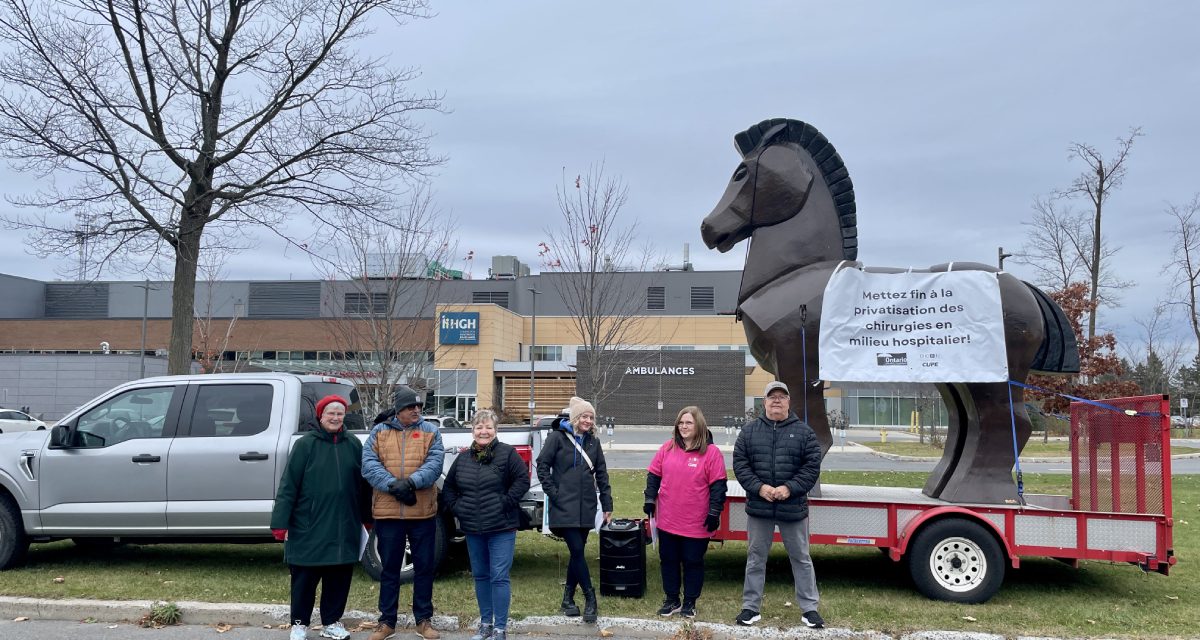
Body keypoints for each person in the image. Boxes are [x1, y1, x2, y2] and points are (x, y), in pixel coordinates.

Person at [271, 395, 371, 640]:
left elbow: (364, 485)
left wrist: (367, 518)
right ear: (321, 416)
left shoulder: (353, 445)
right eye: (331, 413)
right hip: (309, 523)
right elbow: (288, 485)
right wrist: (280, 522)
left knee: (338, 577)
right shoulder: (306, 445)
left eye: (340, 414)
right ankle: (299, 624)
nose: (336, 418)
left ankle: (332, 622)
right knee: (304, 577)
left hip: (344, 524)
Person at [732, 381, 825, 629]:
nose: (776, 400)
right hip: (759, 507)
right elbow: (740, 465)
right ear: (764, 402)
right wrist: (760, 487)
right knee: (755, 558)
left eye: (781, 396)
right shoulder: (749, 432)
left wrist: (789, 488)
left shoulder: (804, 433)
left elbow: (811, 467)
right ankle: (750, 608)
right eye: (771, 396)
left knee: (801, 558)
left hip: (793, 508)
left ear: (788, 401)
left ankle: (809, 609)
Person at [362, 386, 445, 640]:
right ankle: (387, 622)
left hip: (422, 514)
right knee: (389, 570)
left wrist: (411, 483)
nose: (416, 411)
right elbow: (368, 463)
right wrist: (392, 485)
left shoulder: (431, 431)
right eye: (411, 407)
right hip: (388, 515)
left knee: (424, 568)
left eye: (419, 407)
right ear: (399, 410)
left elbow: (435, 462)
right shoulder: (379, 432)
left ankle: (423, 620)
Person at [442, 409, 530, 640]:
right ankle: (485, 625)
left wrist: (506, 502)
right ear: (472, 431)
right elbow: (449, 488)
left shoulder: (507, 454)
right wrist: (458, 508)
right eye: (479, 427)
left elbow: (522, 480)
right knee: (480, 576)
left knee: (499, 576)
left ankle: (500, 628)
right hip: (473, 528)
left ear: (495, 430)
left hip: (502, 527)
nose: (484, 431)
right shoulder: (463, 458)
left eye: (488, 427)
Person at [643, 406, 727, 619]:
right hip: (668, 519)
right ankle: (672, 600)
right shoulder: (667, 448)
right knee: (668, 560)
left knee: (692, 561)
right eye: (681, 422)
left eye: (688, 423)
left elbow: (718, 486)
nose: (683, 426)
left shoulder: (711, 452)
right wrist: (650, 499)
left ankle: (690, 602)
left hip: (696, 522)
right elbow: (653, 475)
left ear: (698, 425)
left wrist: (714, 512)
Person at [535, 396, 613, 624]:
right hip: (564, 505)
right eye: (584, 416)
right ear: (575, 418)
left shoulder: (593, 443)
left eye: (591, 417)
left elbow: (602, 475)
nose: (588, 420)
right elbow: (542, 466)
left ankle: (567, 599)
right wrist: (554, 493)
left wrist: (607, 504)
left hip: (587, 506)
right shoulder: (557, 438)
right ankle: (590, 597)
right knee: (578, 551)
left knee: (576, 553)